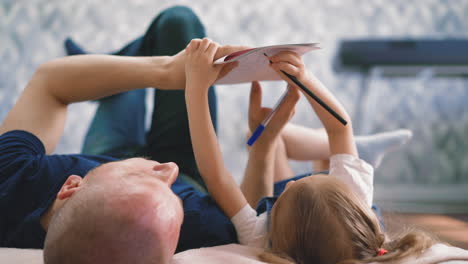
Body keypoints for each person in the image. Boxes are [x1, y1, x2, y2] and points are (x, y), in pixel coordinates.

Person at [0, 5, 412, 264]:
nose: (173, 170)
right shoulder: (213, 228)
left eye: (276, 198)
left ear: (70, 186)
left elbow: (215, 173)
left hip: (105, 151)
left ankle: (112, 58)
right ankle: (115, 58)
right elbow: (339, 129)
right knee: (177, 23)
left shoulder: (14, 180)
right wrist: (279, 119)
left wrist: (187, 83)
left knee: (128, 77)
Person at [183, 38, 434, 264]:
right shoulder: (355, 195)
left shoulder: (260, 236)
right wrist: (303, 77)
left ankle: (358, 150)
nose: (289, 185)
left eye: (284, 197)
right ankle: (358, 151)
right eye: (314, 176)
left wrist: (195, 88)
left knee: (270, 141)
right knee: (271, 140)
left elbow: (215, 175)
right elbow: (340, 128)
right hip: (346, 213)